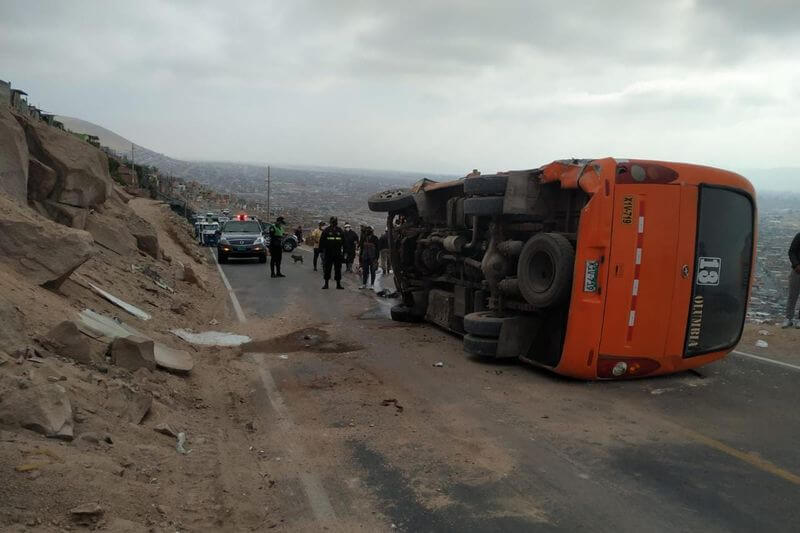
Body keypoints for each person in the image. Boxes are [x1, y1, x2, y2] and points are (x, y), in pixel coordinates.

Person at [320, 216, 345, 289]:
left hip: (337, 253)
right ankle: (326, 284)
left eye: (335, 221)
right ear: (330, 222)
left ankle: (338, 284)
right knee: (327, 268)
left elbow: (344, 241)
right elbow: (322, 241)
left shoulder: (340, 230)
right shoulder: (326, 230)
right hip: (328, 253)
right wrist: (321, 251)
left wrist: (345, 252)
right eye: (333, 221)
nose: (334, 222)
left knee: (338, 269)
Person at [783, 232, 800, 328]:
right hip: (797, 271)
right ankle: (788, 318)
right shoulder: (799, 236)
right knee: (792, 295)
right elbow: (792, 251)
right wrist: (796, 265)